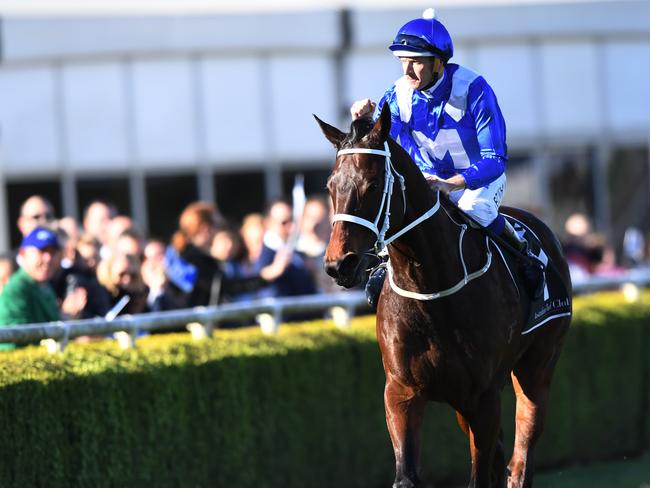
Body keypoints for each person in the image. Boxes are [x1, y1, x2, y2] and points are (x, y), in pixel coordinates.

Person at [350, 9, 539, 305]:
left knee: (476, 211)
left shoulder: (475, 90)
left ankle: (523, 254)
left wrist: (453, 183)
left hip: (476, 180)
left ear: (439, 62)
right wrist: (363, 123)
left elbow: (495, 159)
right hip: (427, 181)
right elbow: (382, 143)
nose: (407, 71)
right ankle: (383, 263)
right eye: (403, 61)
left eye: (416, 62)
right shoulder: (397, 95)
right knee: (397, 211)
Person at [170, 201, 290, 308]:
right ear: (206, 229)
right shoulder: (192, 259)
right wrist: (264, 277)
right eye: (218, 226)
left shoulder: (189, 255)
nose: (221, 229)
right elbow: (226, 287)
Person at [0, 227, 86, 350]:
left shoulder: (45, 286)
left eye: (52, 252)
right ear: (23, 254)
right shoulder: (17, 289)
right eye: (41, 251)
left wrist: (67, 317)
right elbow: (15, 343)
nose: (48, 259)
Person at [255, 199, 318, 301]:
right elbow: (261, 274)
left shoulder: (296, 247)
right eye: (284, 222)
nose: (291, 227)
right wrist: (276, 268)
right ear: (268, 223)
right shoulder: (268, 248)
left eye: (292, 220)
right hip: (284, 311)